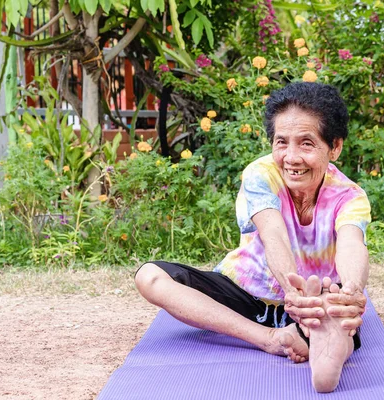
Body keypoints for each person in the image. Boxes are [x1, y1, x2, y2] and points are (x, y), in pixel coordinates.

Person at [135, 82, 371, 393]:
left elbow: (352, 244)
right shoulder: (261, 174)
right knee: (150, 276)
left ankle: (330, 340)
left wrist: (351, 291)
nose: (291, 157)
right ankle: (272, 338)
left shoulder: (350, 195)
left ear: (335, 147)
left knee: (334, 306)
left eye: (307, 144)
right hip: (246, 294)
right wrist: (292, 294)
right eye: (281, 142)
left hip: (314, 304)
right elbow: (272, 232)